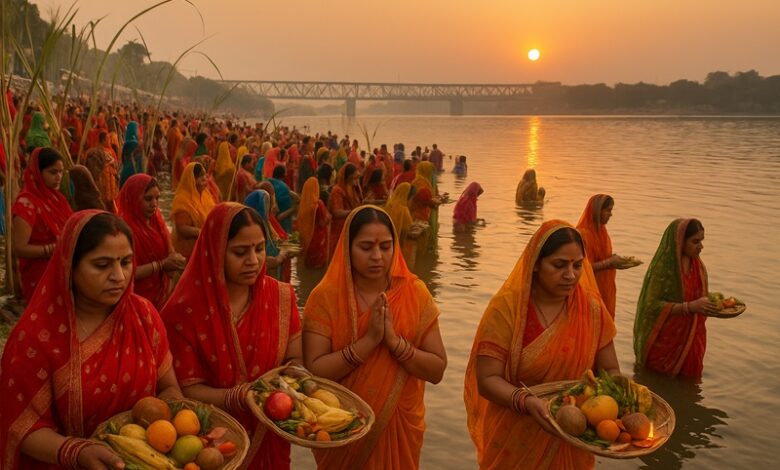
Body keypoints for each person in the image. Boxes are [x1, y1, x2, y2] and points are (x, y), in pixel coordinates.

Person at [0, 211, 181, 470]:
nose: (119, 276)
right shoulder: (35, 338)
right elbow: (22, 426)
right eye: (102, 265)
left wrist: (170, 424)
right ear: (69, 266)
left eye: (126, 262)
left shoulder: (144, 315)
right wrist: (76, 451)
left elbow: (169, 387)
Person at [464, 221, 619, 469]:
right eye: (559, 265)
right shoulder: (507, 309)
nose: (570, 275)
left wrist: (610, 397)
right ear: (536, 264)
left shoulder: (591, 310)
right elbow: (487, 379)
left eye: (578, 265)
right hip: (515, 438)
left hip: (573, 436)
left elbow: (610, 369)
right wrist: (526, 402)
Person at [303, 206, 447, 469]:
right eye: (366, 247)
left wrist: (395, 344)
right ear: (347, 247)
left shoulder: (415, 293)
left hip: (399, 424)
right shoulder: (324, 298)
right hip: (342, 426)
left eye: (386, 246)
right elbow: (315, 371)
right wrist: (368, 342)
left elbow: (437, 370)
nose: (377, 256)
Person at [162, 203, 302, 469]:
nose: (253, 261)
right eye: (240, 252)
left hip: (271, 433)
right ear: (215, 253)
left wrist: (295, 380)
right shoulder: (183, 312)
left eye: (260, 249)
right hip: (212, 443)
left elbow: (294, 359)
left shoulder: (281, 297)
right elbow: (185, 390)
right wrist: (238, 397)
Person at [634, 218, 717, 378]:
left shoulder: (698, 268)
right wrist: (689, 307)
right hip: (664, 342)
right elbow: (650, 306)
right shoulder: (663, 270)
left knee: (690, 380)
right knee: (657, 383)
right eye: (695, 241)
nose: (701, 246)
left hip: (692, 338)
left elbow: (701, 298)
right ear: (680, 242)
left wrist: (712, 306)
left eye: (701, 241)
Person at [12, 148, 73, 302]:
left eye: (61, 172)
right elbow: (19, 248)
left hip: (62, 269)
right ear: (38, 172)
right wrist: (51, 249)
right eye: (53, 172)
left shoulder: (58, 199)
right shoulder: (26, 204)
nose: (59, 177)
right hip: (39, 274)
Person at [118, 174, 185, 308]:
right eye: (148, 199)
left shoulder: (156, 222)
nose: (154, 204)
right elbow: (125, 272)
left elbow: (168, 249)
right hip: (136, 299)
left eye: (157, 198)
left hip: (161, 295)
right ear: (133, 199)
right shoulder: (122, 231)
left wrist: (174, 260)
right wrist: (161, 265)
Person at [576, 194, 622, 317]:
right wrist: (609, 263)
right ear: (597, 211)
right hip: (588, 293)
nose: (610, 214)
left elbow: (601, 258)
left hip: (601, 292)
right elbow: (582, 269)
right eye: (608, 210)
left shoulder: (601, 232)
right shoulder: (583, 235)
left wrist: (614, 260)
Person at [244, 190, 292, 281]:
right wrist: (280, 256)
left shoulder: (266, 225)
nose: (270, 209)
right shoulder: (254, 230)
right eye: (266, 205)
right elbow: (261, 261)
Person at [171, 162, 216, 258]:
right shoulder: (182, 199)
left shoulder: (205, 194)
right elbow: (181, 229)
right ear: (190, 179)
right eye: (199, 176)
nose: (204, 178)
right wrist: (202, 232)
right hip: (187, 251)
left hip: (205, 245)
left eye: (204, 174)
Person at [327, 163, 361, 259]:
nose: (356, 180)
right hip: (339, 230)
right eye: (354, 178)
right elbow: (337, 212)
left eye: (357, 178)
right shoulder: (337, 190)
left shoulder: (354, 189)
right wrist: (354, 212)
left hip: (351, 227)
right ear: (348, 177)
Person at [297, 177, 331, 269]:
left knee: (308, 268)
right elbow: (324, 222)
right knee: (318, 270)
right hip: (318, 240)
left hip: (307, 240)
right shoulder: (318, 204)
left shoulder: (303, 204)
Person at [383, 182, 417, 267]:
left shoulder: (387, 206)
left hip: (385, 248)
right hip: (397, 251)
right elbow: (404, 235)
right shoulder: (404, 211)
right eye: (412, 198)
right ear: (407, 197)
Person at [269, 165, 297, 235]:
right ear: (284, 175)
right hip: (282, 223)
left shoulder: (268, 182)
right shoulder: (283, 187)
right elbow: (279, 215)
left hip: (269, 221)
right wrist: (293, 209)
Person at [119, 121, 142, 187]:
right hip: (133, 169)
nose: (138, 131)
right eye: (137, 129)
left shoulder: (126, 142)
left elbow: (123, 157)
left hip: (126, 169)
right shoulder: (133, 143)